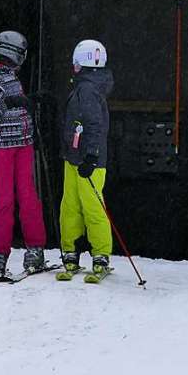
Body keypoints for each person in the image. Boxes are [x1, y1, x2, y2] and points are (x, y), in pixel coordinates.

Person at [0, 31, 47, 278]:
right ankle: (1, 253)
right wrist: (12, 102)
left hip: (22, 143)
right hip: (3, 147)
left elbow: (14, 104)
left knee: (27, 197)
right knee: (6, 199)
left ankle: (33, 249)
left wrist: (26, 102)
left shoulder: (8, 75)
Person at [59, 39, 114, 277]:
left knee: (92, 206)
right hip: (73, 157)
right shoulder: (84, 86)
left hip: (88, 161)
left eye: (75, 63)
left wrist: (91, 156)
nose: (73, 67)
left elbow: (95, 124)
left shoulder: (88, 89)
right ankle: (69, 250)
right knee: (70, 205)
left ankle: (100, 254)